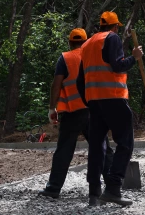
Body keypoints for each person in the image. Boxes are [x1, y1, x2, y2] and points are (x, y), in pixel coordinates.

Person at [38, 28, 113, 202]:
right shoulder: (94, 55)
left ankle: (53, 188)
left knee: (64, 150)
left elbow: (56, 85)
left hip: (72, 112)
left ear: (70, 42)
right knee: (102, 148)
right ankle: (112, 186)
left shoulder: (65, 58)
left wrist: (52, 108)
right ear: (86, 41)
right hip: (95, 109)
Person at [77, 11, 143, 206]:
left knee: (97, 147)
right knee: (125, 143)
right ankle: (113, 188)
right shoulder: (112, 38)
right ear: (114, 27)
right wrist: (134, 57)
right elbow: (117, 66)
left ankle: (94, 194)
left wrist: (88, 101)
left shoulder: (87, 44)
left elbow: (81, 80)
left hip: (95, 102)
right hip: (113, 98)